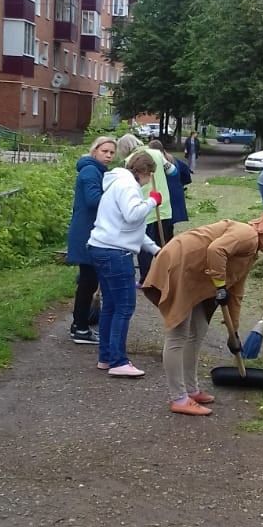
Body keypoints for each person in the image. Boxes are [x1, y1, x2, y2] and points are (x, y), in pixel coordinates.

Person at [142, 208, 263, 416]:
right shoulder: (247, 234)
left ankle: (191, 390)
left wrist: (233, 332)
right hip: (182, 264)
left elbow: (236, 292)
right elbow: (216, 250)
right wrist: (219, 285)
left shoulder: (251, 251)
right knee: (178, 333)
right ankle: (179, 398)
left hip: (197, 273)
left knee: (198, 331)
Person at [87, 149, 160, 377]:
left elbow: (132, 228)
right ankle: (119, 361)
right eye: (150, 175)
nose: (149, 181)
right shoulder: (128, 186)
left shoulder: (117, 182)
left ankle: (106, 357)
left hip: (101, 247)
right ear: (145, 172)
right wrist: (151, 202)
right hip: (115, 253)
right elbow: (133, 215)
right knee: (125, 307)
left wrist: (156, 250)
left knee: (110, 306)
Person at [65, 136, 117, 343]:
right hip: (87, 232)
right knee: (88, 281)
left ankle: (79, 325)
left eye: (112, 152)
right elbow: (93, 200)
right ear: (95, 150)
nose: (109, 156)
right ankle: (81, 328)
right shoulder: (90, 171)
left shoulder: (96, 170)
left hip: (90, 230)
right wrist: (116, 198)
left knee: (88, 280)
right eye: (105, 151)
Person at [120, 134, 178, 280]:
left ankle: (146, 278)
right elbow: (173, 171)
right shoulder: (157, 153)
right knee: (163, 242)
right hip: (163, 205)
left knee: (144, 246)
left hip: (143, 207)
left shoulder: (129, 161)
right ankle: (165, 275)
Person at [163, 147, 192, 226]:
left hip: (167, 195)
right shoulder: (174, 160)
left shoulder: (164, 162)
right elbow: (186, 172)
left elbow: (186, 172)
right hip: (174, 193)